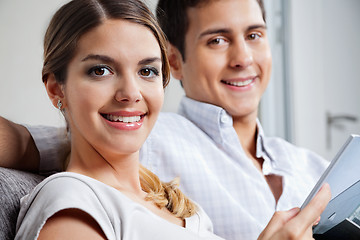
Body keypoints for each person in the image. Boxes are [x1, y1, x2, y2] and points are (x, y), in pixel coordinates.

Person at [0, 0, 330, 239]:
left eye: (146, 70)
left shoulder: (183, 210)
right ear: (56, 87)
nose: (130, 92)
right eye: (100, 70)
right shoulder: (73, 201)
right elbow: (37, 141)